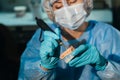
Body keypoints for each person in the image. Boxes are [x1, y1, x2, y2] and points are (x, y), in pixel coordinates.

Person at [18, 0, 120, 80]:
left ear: (86, 1)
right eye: (58, 5)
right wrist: (44, 67)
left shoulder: (108, 34)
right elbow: (25, 76)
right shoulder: (44, 37)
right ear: (51, 10)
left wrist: (104, 65)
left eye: (73, 1)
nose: (67, 10)